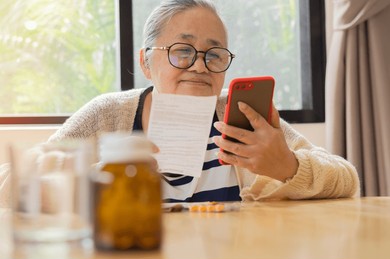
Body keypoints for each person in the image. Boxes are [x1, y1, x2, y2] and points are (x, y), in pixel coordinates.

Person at [0, 0, 359, 206]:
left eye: (214, 54)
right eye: (182, 51)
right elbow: (10, 184)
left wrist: (287, 166)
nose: (200, 66)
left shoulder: (242, 118)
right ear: (146, 62)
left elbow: (347, 179)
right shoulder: (108, 114)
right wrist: (90, 175)